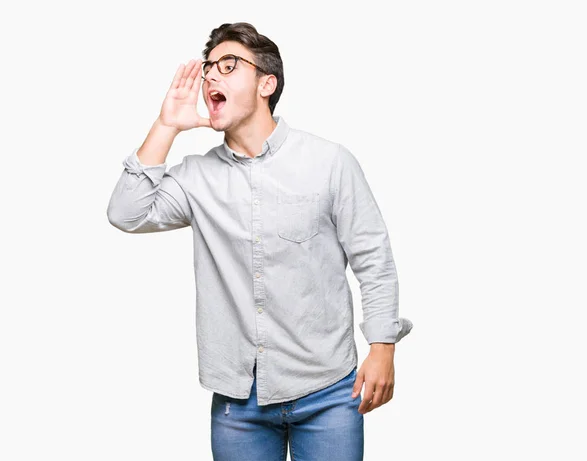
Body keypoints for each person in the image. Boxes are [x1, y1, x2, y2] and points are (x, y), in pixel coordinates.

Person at [107, 21, 413, 461]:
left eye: (228, 66)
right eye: (208, 67)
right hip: (238, 403)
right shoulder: (195, 178)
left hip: (327, 393)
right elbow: (125, 213)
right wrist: (166, 125)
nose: (210, 75)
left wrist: (383, 348)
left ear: (267, 83)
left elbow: (374, 259)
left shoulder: (329, 163)